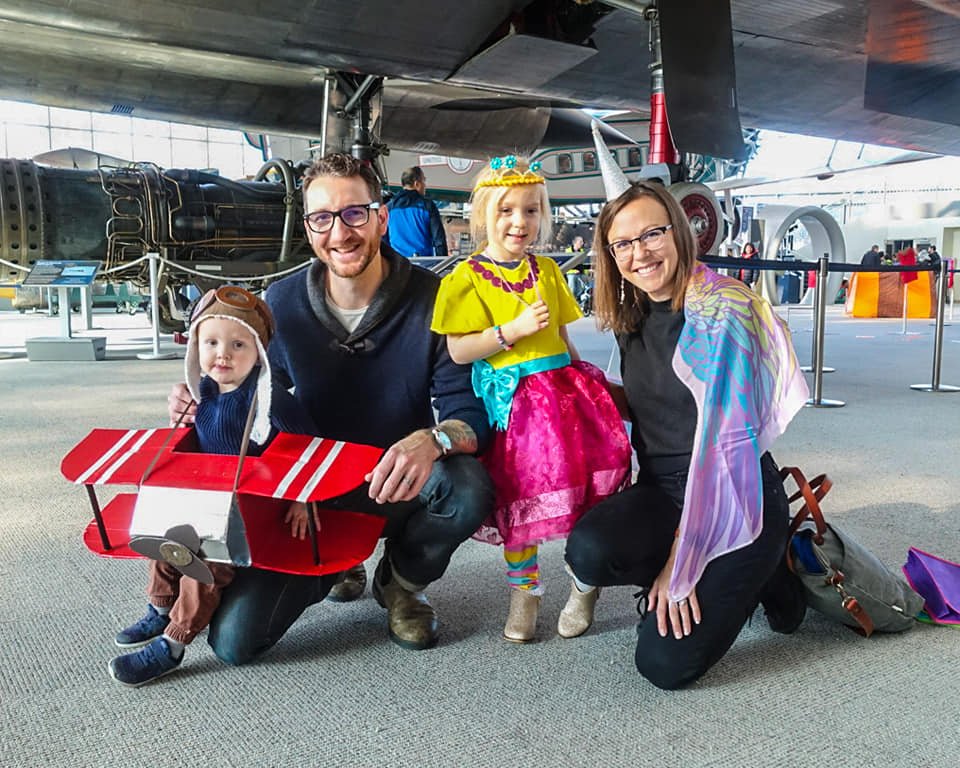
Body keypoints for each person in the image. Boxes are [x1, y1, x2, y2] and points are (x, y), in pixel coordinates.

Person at [168, 152, 493, 663]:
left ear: (381, 217)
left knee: (468, 486)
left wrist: (430, 440)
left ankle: (400, 582)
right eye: (323, 217)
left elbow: (472, 419)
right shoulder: (281, 302)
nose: (340, 233)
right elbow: (256, 394)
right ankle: (341, 563)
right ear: (308, 227)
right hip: (312, 497)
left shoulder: (436, 300)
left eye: (354, 213)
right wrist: (200, 393)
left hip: (398, 482)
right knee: (234, 643)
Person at [564, 172, 809, 690]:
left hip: (737, 494)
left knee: (663, 665)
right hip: (663, 490)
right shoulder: (632, 315)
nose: (640, 253)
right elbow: (657, 405)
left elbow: (723, 449)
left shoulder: (723, 311)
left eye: (652, 234)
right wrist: (574, 382)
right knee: (588, 549)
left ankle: (770, 565)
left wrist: (682, 559)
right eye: (623, 243)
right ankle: (736, 579)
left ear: (679, 231)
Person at [430, 156, 632, 643]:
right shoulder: (467, 277)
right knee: (520, 499)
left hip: (564, 399)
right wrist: (509, 332)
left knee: (580, 490)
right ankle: (525, 590)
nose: (519, 222)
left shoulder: (546, 271)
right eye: (506, 211)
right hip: (514, 407)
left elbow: (562, 337)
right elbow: (459, 348)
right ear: (484, 215)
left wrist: (590, 388)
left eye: (530, 211)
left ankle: (585, 582)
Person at [112, 286, 318, 686]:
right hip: (204, 494)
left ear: (259, 351)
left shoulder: (270, 400)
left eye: (238, 344)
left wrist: (302, 500)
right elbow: (189, 438)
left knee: (202, 565)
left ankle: (174, 642)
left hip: (247, 508)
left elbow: (310, 448)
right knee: (162, 539)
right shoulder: (202, 391)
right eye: (211, 342)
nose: (222, 354)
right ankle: (160, 607)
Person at [385, 166, 448, 258]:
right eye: (423, 181)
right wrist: (443, 264)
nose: (425, 185)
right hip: (424, 265)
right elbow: (439, 240)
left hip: (397, 265)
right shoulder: (428, 206)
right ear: (416, 184)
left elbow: (384, 239)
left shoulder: (389, 207)